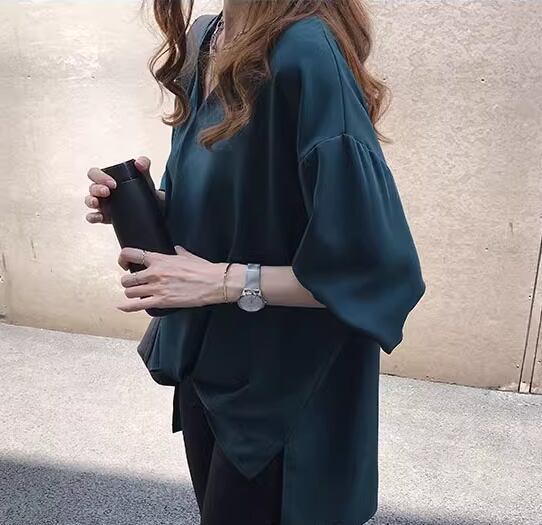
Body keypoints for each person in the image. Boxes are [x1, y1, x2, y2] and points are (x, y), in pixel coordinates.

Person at [84, 1, 426, 524]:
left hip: (285, 392)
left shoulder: (305, 50)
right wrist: (152, 208)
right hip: (210, 366)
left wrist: (223, 282)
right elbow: (245, 204)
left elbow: (372, 268)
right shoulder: (205, 39)